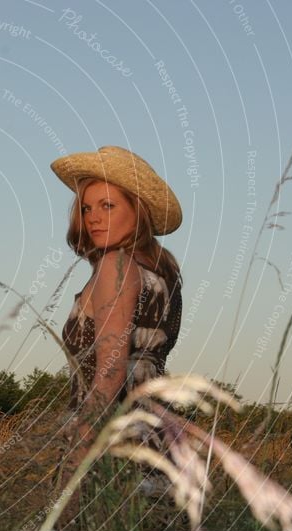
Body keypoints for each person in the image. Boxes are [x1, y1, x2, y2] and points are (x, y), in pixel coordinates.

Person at [50, 145, 184, 495]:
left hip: (112, 438)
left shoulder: (115, 266)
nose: (93, 217)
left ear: (138, 212)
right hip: (155, 433)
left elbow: (110, 372)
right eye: (86, 207)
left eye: (108, 206)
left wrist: (79, 451)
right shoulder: (163, 274)